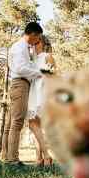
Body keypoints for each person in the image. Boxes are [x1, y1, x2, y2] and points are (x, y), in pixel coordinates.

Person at [1, 22, 43, 166]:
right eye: (38, 37)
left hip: (19, 84)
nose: (37, 41)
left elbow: (24, 66)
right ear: (32, 34)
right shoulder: (20, 47)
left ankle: (6, 157)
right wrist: (39, 73)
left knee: (10, 122)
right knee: (17, 121)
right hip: (20, 83)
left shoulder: (24, 47)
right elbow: (20, 68)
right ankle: (12, 159)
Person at [27, 35, 55, 166]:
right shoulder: (32, 59)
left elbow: (53, 75)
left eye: (37, 42)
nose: (34, 45)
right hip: (33, 92)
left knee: (35, 125)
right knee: (35, 126)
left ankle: (45, 157)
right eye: (34, 43)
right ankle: (39, 158)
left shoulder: (47, 56)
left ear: (43, 44)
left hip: (42, 91)